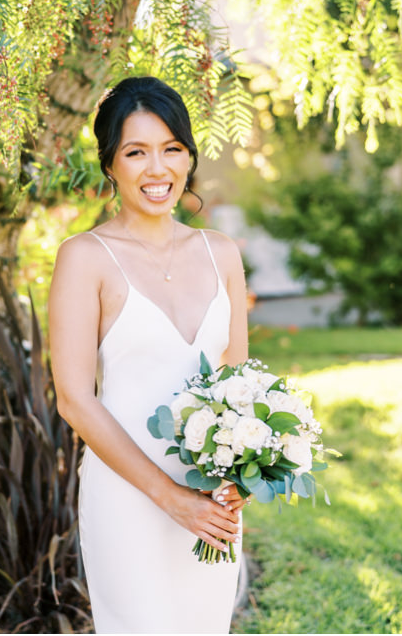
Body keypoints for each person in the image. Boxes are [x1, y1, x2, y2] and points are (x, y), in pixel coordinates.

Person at [47, 76, 250, 634]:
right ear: (111, 164)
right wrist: (170, 498)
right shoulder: (84, 258)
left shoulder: (221, 253)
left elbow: (239, 384)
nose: (156, 169)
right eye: (136, 152)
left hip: (211, 501)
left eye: (171, 149)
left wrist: (238, 478)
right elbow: (74, 400)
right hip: (128, 498)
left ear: (188, 157)